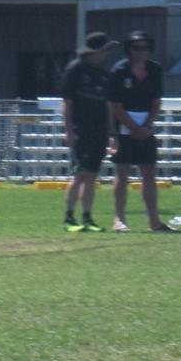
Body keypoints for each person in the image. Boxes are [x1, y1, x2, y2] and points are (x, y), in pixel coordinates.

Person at [108, 30, 174, 233]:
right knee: (122, 173)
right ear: (129, 49)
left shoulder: (154, 70)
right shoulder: (120, 70)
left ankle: (154, 221)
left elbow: (156, 102)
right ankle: (119, 219)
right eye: (136, 48)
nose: (140, 52)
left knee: (149, 173)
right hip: (124, 125)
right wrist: (133, 128)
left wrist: (146, 127)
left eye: (144, 48)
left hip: (145, 125)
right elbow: (115, 106)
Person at [61, 31, 118, 232]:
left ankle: (87, 218)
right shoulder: (75, 70)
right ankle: (69, 218)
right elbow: (67, 104)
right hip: (81, 130)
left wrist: (112, 134)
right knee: (79, 174)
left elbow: (109, 107)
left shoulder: (104, 75)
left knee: (92, 176)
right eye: (105, 49)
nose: (107, 54)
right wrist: (69, 131)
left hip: (99, 132)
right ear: (95, 51)